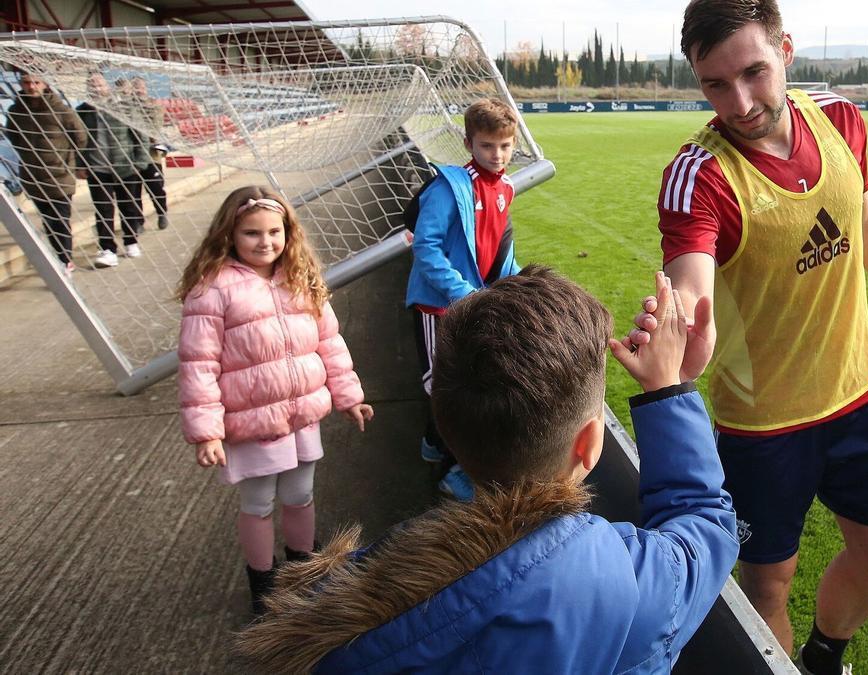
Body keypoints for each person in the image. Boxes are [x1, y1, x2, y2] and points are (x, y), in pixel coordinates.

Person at [640, 1, 868, 672]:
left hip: (858, 391)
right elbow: (692, 287)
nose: (739, 102)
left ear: (785, 50)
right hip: (763, 428)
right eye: (715, 84)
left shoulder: (841, 118)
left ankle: (825, 655)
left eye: (754, 73)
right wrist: (687, 343)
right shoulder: (700, 176)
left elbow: (864, 224)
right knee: (766, 585)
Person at [235, 266, 739, 674]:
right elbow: (704, 527)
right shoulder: (619, 580)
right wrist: (668, 387)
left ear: (449, 429)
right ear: (588, 445)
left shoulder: (345, 612)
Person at [176, 185, 375, 615]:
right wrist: (208, 432)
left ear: (288, 233)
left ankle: (304, 567)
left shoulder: (300, 278)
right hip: (252, 425)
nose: (265, 242)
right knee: (259, 504)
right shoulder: (212, 290)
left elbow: (330, 343)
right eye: (252, 233)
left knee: (301, 495)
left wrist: (349, 396)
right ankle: (263, 583)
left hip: (302, 415)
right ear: (229, 235)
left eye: (274, 232)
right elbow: (198, 365)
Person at [404, 97, 522, 501]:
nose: (498, 154)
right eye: (488, 146)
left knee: (469, 384)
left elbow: (501, 251)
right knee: (444, 387)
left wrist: (519, 286)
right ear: (470, 143)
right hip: (436, 306)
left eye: (505, 145)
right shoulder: (448, 186)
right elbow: (426, 247)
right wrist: (461, 291)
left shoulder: (506, 187)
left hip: (474, 302)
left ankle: (437, 448)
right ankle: (454, 470)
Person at [4, 70, 87, 275]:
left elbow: (81, 138)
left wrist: (70, 162)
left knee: (60, 218)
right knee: (48, 220)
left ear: (45, 84)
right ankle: (60, 256)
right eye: (26, 83)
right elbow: (14, 138)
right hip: (33, 177)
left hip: (60, 176)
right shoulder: (16, 111)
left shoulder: (62, 111)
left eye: (36, 82)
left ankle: (65, 260)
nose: (31, 87)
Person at [75, 72, 150, 268]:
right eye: (91, 85)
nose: (96, 89)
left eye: (99, 85)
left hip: (125, 166)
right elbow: (76, 141)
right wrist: (79, 164)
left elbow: (140, 134)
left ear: (107, 86)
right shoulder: (82, 111)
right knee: (103, 209)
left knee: (128, 206)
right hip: (97, 168)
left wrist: (140, 163)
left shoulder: (124, 107)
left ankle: (131, 241)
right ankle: (108, 249)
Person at [129, 76, 169, 228]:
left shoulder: (154, 106)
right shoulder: (126, 107)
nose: (138, 90)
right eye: (135, 87)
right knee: (134, 191)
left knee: (156, 188)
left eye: (141, 87)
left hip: (151, 155)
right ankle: (138, 221)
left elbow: (154, 128)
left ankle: (161, 213)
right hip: (131, 155)